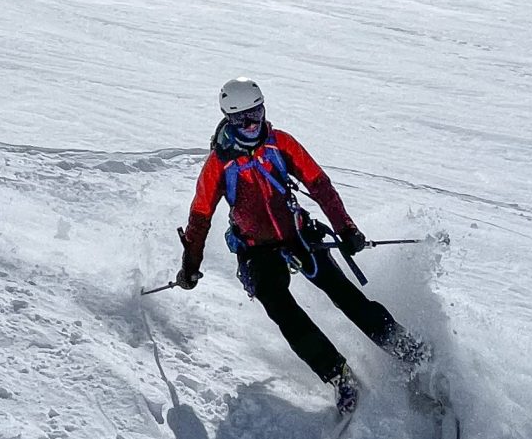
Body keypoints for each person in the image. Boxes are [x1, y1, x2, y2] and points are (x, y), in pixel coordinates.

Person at [175, 77, 428, 420]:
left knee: (344, 294)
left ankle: (410, 352)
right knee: (281, 307)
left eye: (258, 113)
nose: (253, 125)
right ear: (229, 121)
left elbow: (320, 185)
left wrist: (347, 228)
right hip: (256, 249)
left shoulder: (281, 144)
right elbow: (200, 218)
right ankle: (338, 374)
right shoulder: (219, 164)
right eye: (243, 120)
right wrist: (190, 266)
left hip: (298, 234)